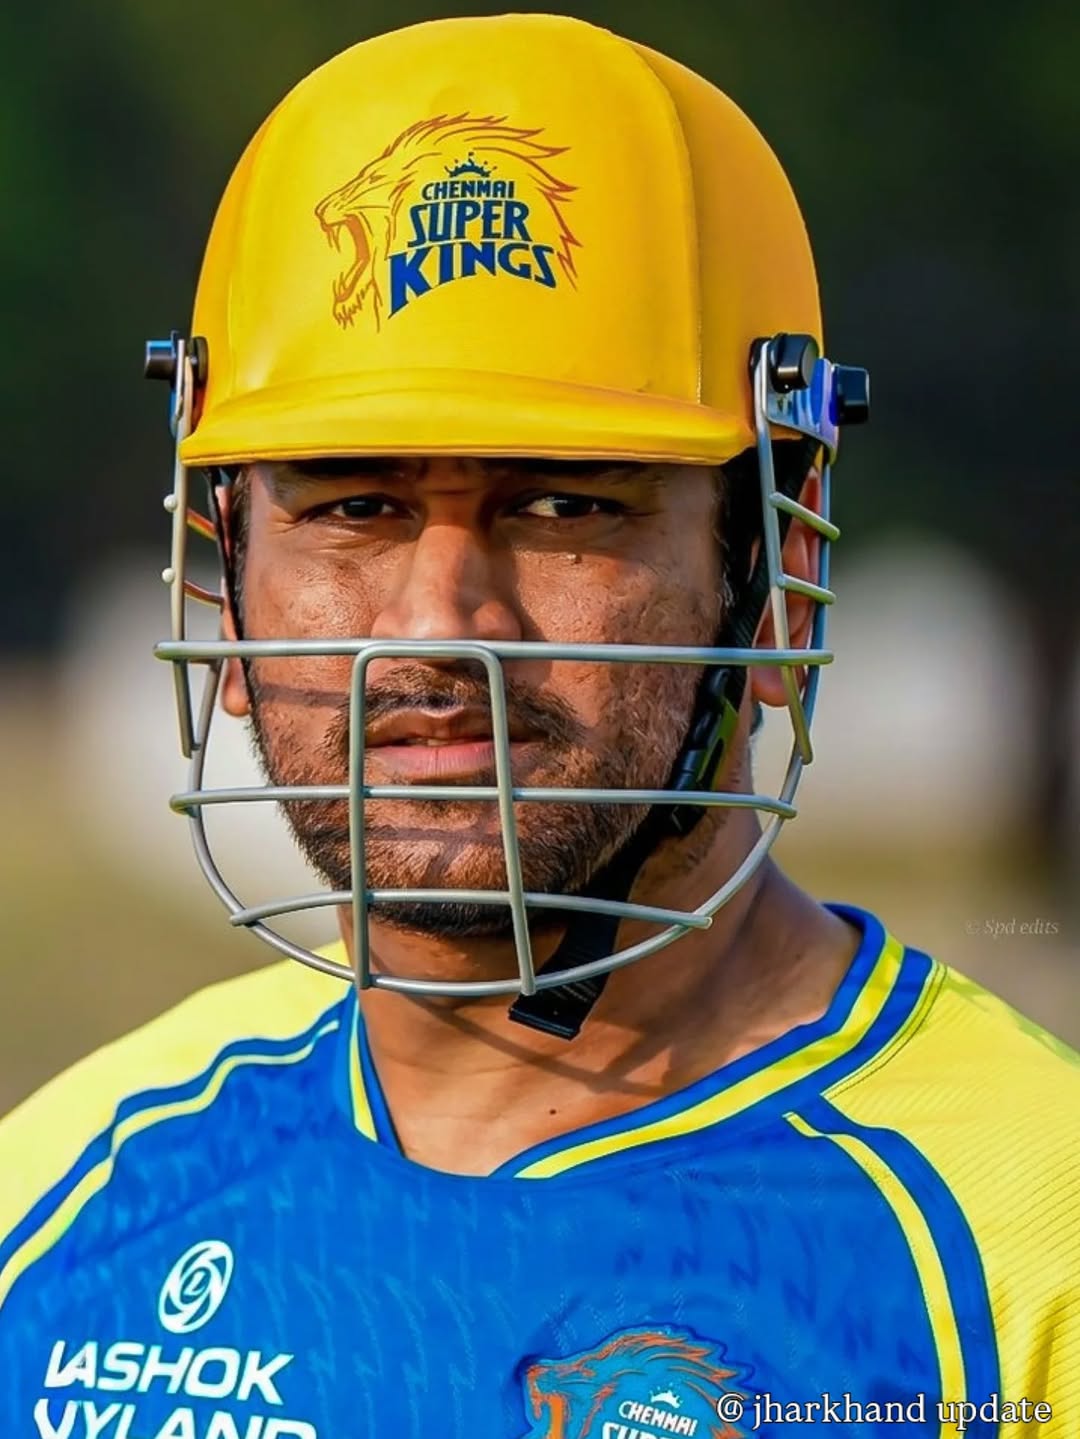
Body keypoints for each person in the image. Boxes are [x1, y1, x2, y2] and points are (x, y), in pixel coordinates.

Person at [2, 13, 1076, 1437]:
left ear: (780, 568)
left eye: (566, 503)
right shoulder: (61, 1195)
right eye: (354, 504)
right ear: (226, 576)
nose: (439, 625)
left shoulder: (1027, 1253)